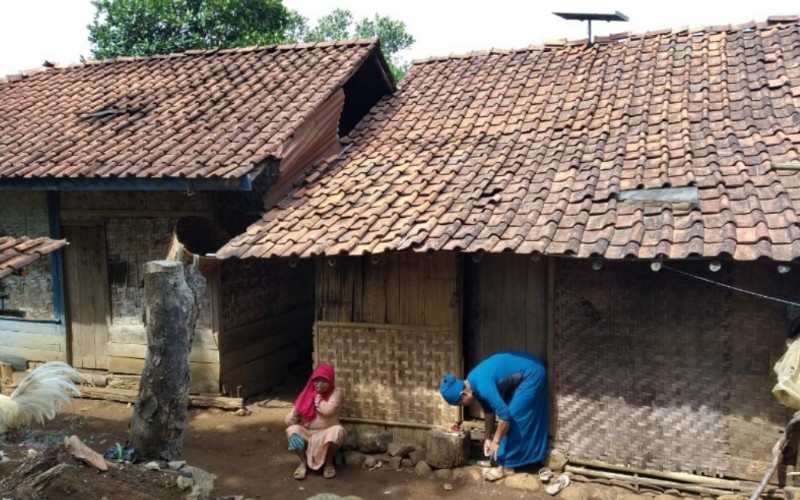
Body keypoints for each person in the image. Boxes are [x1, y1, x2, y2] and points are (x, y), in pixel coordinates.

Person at [439, 351, 547, 481]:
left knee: (512, 417)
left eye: (460, 403)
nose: (463, 406)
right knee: (509, 416)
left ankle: (506, 468)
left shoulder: (482, 386)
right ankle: (517, 459)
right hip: (521, 377)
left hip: (532, 374)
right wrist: (487, 438)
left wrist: (496, 442)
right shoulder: (472, 381)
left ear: (464, 394)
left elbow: (505, 418)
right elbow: (489, 411)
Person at [285, 362, 346, 480]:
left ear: (330, 381)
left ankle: (328, 463)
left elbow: (328, 410)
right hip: (308, 433)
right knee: (292, 430)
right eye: (316, 381)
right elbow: (288, 421)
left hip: (326, 433)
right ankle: (303, 463)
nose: (319, 384)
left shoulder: (336, 392)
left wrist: (316, 398)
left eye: (324, 381)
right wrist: (294, 414)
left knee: (338, 431)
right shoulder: (306, 394)